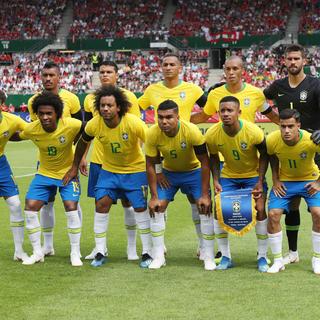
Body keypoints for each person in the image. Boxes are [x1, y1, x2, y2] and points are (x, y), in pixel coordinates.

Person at [63, 85, 152, 268]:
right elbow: (82, 142)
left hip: (135, 171)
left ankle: (147, 252)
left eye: (109, 105)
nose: (105, 109)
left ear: (118, 107)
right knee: (101, 203)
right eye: (102, 105)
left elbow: (153, 142)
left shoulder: (133, 122)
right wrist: (74, 166)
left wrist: (157, 170)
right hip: (109, 171)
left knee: (140, 208)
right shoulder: (95, 123)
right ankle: (100, 251)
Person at [139, 52, 208, 259]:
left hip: (188, 148)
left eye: (172, 64)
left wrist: (190, 122)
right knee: (160, 201)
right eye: (165, 64)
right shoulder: (152, 90)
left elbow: (209, 109)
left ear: (180, 68)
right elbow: (136, 109)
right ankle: (159, 248)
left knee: (196, 203)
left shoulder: (192, 89)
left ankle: (203, 246)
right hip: (164, 150)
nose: (168, 67)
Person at [264, 44, 320, 265]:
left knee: (317, 208)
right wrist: (276, 121)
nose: (293, 62)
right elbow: (261, 102)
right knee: (293, 204)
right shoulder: (277, 86)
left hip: (314, 148)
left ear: (304, 61)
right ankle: (293, 253)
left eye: (297, 58)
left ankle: (317, 255)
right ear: (284, 62)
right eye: (289, 59)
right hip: (288, 150)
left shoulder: (315, 84)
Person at [16, 91, 83, 266]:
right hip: (44, 174)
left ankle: (75, 253)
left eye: (49, 113)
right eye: (41, 114)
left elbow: (88, 131)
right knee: (30, 207)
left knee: (71, 207)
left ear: (57, 114)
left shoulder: (71, 124)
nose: (45, 117)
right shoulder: (32, 129)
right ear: (36, 114)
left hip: (67, 173)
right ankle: (38, 252)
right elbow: (16, 136)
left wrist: (77, 163)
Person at [82, 61, 141, 261]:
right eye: (102, 72)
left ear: (117, 74)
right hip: (100, 160)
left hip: (126, 162)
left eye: (109, 72)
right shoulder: (90, 99)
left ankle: (131, 248)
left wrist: (134, 156)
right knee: (100, 203)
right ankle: (101, 248)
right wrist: (83, 156)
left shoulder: (128, 97)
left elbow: (136, 129)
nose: (105, 75)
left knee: (128, 203)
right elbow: (90, 130)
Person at [145, 100, 213, 270]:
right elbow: (150, 163)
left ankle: (206, 250)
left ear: (178, 117)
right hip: (169, 174)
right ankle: (159, 255)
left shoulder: (191, 131)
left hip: (193, 172)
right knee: (157, 206)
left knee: (203, 206)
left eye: (169, 117)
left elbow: (205, 163)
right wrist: (154, 195)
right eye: (160, 117)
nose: (164, 121)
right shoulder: (153, 133)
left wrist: (205, 194)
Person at [205, 96, 269, 272]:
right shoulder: (212, 134)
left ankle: (262, 256)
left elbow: (265, 154)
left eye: (229, 110)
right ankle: (226, 256)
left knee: (261, 208)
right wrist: (216, 180)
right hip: (229, 176)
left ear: (239, 112)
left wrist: (260, 180)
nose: (225, 114)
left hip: (252, 176)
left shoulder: (253, 131)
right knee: (219, 211)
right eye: (222, 111)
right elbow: (212, 157)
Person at [28, 61, 83, 257]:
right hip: (45, 161)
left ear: (59, 77)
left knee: (72, 203)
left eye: (52, 75)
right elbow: (38, 131)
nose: (48, 79)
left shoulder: (71, 98)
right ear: (41, 77)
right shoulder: (34, 101)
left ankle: (76, 246)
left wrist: (81, 156)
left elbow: (82, 130)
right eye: (45, 76)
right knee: (47, 203)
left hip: (70, 159)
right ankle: (48, 245)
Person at [266, 109, 320, 274]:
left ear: (299, 126)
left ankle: (317, 259)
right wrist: (275, 180)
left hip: (309, 180)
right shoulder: (272, 140)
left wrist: (318, 182)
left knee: (318, 213)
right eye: (283, 127)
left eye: (290, 126)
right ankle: (277, 261)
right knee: (273, 214)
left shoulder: (311, 141)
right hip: (286, 182)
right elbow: (272, 157)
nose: (286, 131)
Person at [190, 55, 279, 124]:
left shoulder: (256, 93)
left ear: (243, 71)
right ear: (224, 71)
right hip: (224, 144)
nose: (231, 72)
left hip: (248, 145)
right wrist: (179, 122)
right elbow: (202, 116)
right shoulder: (215, 94)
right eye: (228, 69)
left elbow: (273, 117)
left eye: (235, 68)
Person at [0, 90, 28, 262]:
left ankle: (19, 250)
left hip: (1, 165)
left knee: (16, 204)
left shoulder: (12, 120)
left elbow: (32, 130)